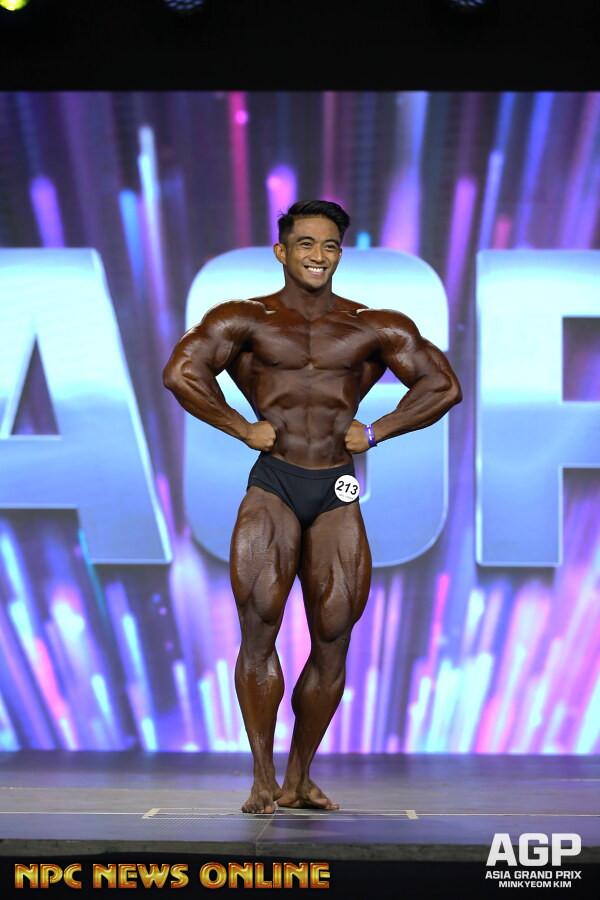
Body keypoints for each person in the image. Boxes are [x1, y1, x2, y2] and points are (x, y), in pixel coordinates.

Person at [163, 200, 462, 814]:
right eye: (305, 244)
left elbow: (443, 385)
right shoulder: (244, 318)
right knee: (259, 628)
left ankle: (299, 775)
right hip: (273, 482)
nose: (317, 256)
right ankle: (261, 777)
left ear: (339, 255)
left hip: (336, 488)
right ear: (282, 251)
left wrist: (377, 430)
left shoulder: (372, 326)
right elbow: (182, 372)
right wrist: (239, 426)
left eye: (329, 246)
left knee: (333, 636)